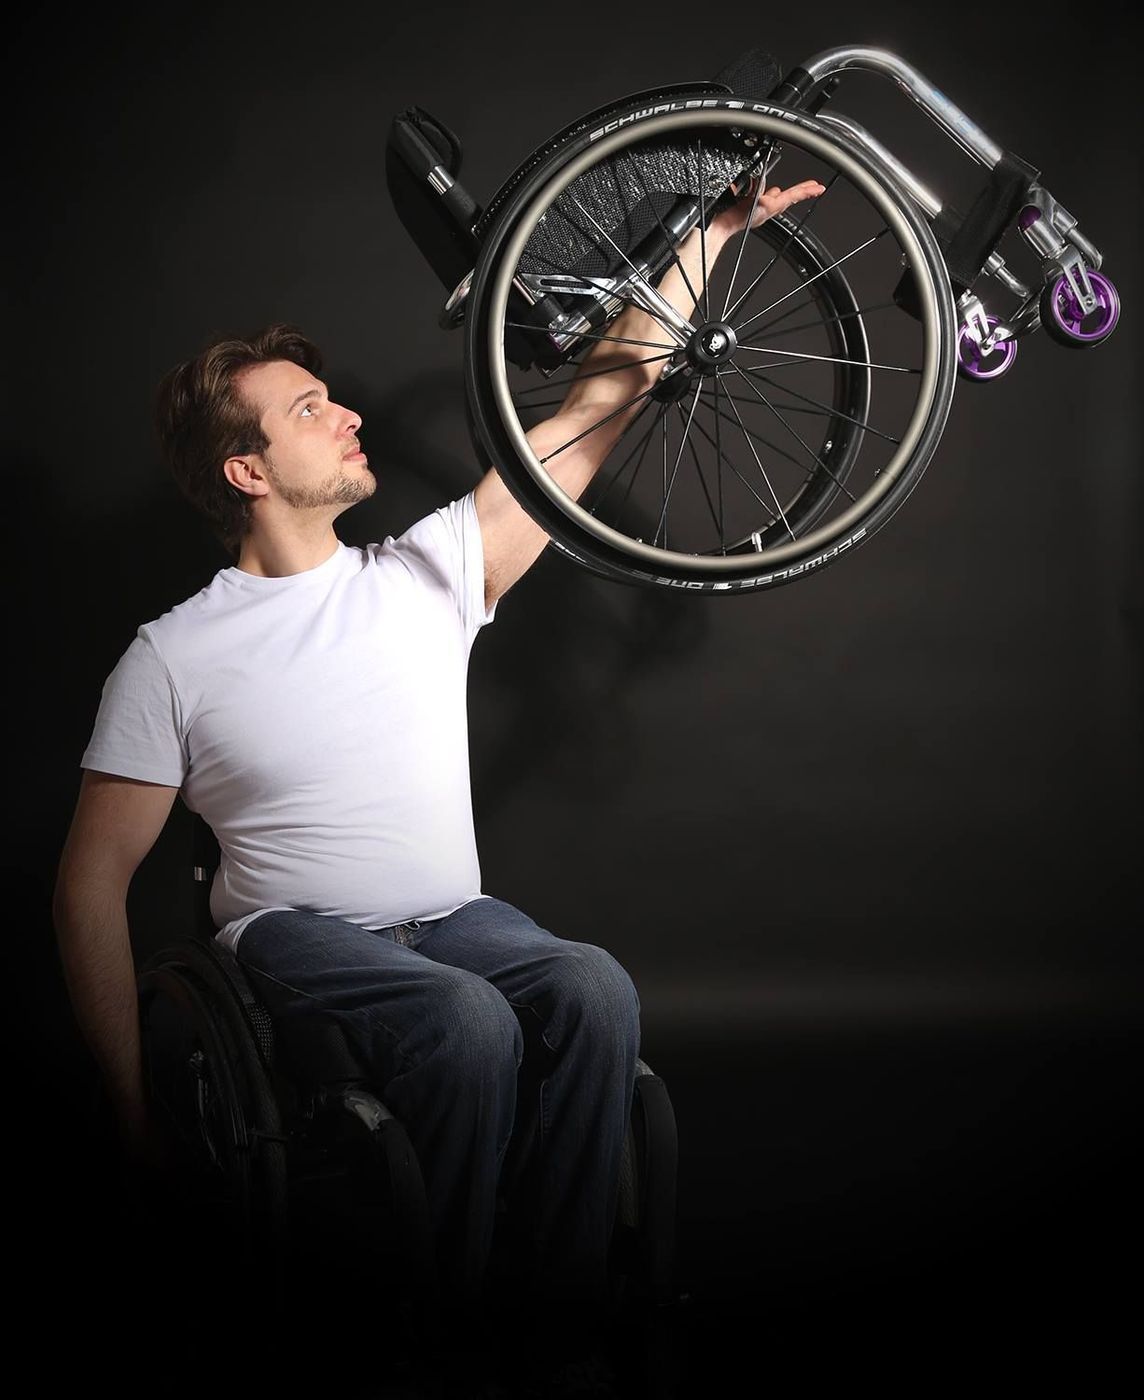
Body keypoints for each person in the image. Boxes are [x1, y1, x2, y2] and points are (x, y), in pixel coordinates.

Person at [52, 170, 824, 1389]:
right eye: (311, 408)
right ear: (248, 470)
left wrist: (711, 238)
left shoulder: (427, 571)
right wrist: (131, 1109)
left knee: (592, 987)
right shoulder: (172, 652)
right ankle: (442, 1330)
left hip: (456, 922)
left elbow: (598, 400)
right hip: (294, 937)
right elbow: (92, 881)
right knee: (463, 1026)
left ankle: (550, 1320)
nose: (348, 413)